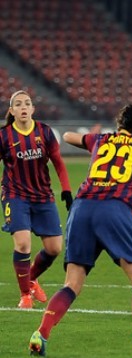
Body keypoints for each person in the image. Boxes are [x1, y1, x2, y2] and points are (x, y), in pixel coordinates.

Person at [28, 104, 132, 358]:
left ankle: (41, 333)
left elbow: (67, 136)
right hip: (114, 210)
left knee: (72, 283)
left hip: (82, 208)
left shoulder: (100, 139)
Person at [0, 90, 72, 309]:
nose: (23, 107)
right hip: (15, 195)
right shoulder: (4, 136)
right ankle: (25, 296)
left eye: (27, 103)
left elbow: (58, 162)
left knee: (54, 248)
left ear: (32, 109)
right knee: (22, 243)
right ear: (11, 111)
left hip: (42, 196)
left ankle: (30, 279)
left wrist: (67, 191)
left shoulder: (45, 132)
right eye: (18, 104)